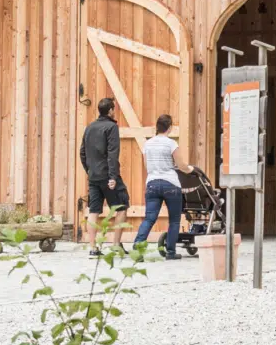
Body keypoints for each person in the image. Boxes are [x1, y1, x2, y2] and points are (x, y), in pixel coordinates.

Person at [135, 113, 193, 259]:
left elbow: (147, 166)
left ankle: (138, 246)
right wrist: (190, 169)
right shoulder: (171, 143)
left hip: (152, 183)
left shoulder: (147, 144)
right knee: (174, 220)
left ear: (157, 126)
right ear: (170, 127)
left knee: (149, 218)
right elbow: (181, 166)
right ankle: (171, 252)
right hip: (171, 184)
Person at [80, 97, 128, 255]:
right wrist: (113, 176)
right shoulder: (111, 127)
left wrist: (90, 170)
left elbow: (82, 153)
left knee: (93, 211)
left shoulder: (89, 127)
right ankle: (115, 245)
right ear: (110, 111)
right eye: (114, 109)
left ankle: (93, 248)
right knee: (121, 207)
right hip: (108, 175)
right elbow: (113, 153)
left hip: (93, 176)